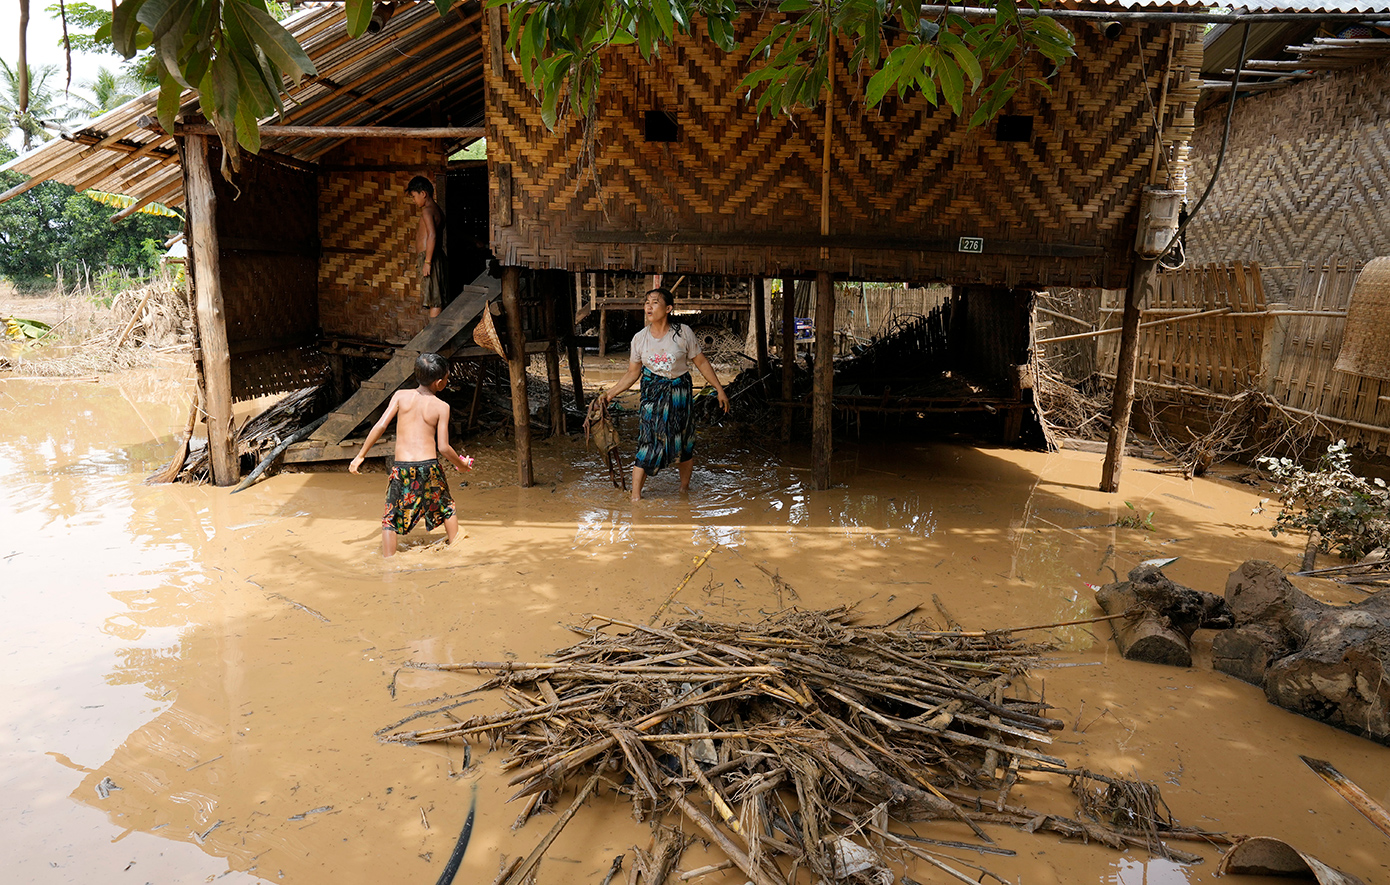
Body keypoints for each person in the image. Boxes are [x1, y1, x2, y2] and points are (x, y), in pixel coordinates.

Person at [598, 287, 730, 501]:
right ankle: (635, 499)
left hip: (680, 394)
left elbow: (702, 362)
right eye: (647, 302)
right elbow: (632, 374)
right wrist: (609, 394)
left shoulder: (683, 333)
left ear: (668, 308)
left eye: (655, 302)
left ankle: (683, 491)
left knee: (683, 441)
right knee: (647, 440)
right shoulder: (639, 339)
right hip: (652, 394)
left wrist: (720, 390)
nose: (649, 306)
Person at [350, 352, 472, 556]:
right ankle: (456, 548)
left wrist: (360, 455)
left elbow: (380, 426)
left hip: (402, 468)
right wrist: (461, 464)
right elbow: (443, 447)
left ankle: (388, 561)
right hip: (429, 466)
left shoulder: (400, 396)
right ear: (440, 382)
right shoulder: (442, 407)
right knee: (446, 506)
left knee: (390, 517)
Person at [407, 176, 447, 319]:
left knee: (434, 299)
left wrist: (427, 262)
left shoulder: (427, 211)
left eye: (414, 196)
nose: (414, 200)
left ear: (423, 193)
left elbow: (432, 236)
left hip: (429, 257)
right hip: (434, 256)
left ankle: (434, 339)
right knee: (435, 297)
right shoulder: (438, 210)